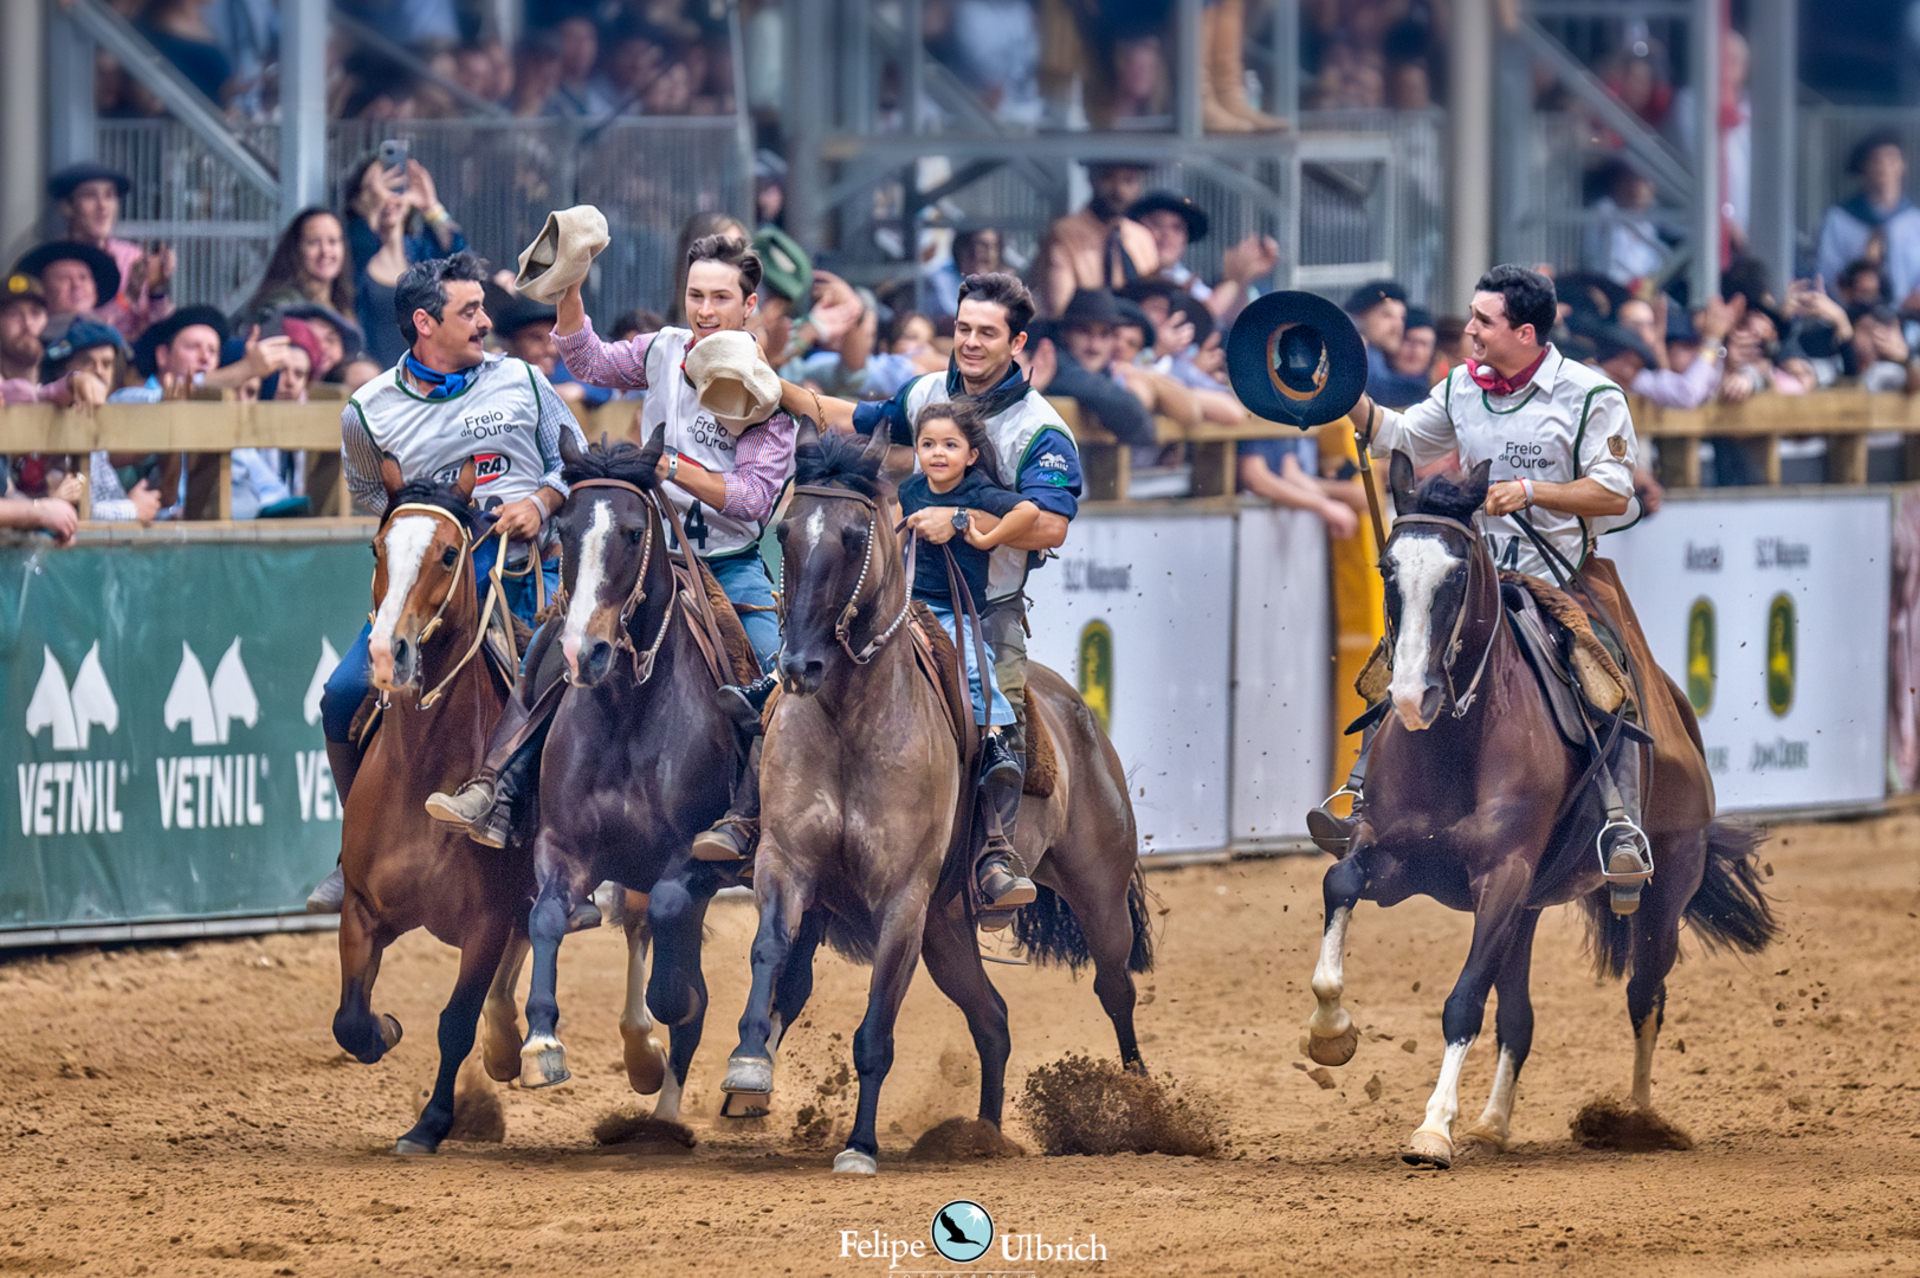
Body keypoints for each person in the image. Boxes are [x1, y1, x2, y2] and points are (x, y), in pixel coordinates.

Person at [1325, 264, 1713, 916]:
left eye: (1483, 320)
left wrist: (1535, 492)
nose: (1469, 330)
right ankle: (1361, 795)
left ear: (1524, 331)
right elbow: (1400, 437)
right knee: (1398, 661)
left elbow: (1615, 494)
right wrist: (1345, 397)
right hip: (1478, 579)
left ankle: (1620, 823)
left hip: (1563, 577)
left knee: (1606, 680)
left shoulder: (1592, 395)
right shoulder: (1461, 389)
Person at [424, 234, 797, 857]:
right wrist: (571, 282)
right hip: (643, 557)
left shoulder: (771, 394)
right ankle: (498, 786)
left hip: (728, 566)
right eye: (695, 295)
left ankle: (752, 820)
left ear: (749, 305)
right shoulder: (662, 351)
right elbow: (587, 360)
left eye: (720, 298)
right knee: (550, 644)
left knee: (775, 678)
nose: (704, 310)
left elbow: (753, 499)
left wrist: (669, 466)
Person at [773, 271, 1081, 906]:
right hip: (903, 601)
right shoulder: (921, 395)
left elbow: (1050, 526)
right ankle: (765, 819)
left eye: (986, 333)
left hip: (986, 611)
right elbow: (850, 418)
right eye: (963, 327)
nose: (969, 342)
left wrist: (964, 521)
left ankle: (994, 849)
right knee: (800, 675)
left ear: (1017, 341)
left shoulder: (1041, 429)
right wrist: (769, 386)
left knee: (1003, 714)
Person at [305, 252, 587, 913]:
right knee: (342, 695)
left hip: (524, 577)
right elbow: (372, 497)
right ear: (425, 323)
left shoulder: (522, 380)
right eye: (470, 311)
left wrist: (541, 504)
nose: (487, 321)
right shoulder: (367, 410)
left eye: (483, 309)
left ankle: (560, 867)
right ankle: (355, 848)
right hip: (431, 583)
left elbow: (577, 464)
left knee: (561, 700)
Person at [897, 401, 1042, 916]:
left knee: (974, 671)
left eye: (950, 445)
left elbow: (1028, 512)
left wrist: (977, 531)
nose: (938, 453)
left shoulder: (980, 493)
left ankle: (997, 741)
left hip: (954, 610)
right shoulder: (908, 490)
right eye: (929, 444)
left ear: (971, 454)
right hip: (906, 605)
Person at [47, 162, 174, 341]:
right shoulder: (52, 260)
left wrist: (157, 290)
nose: (102, 206)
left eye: (110, 196)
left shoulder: (131, 258)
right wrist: (126, 300)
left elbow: (163, 334)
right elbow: (69, 331)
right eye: (90, 196)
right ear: (68, 207)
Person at [1128, 189, 1279, 326]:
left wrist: (1243, 278)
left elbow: (1229, 316)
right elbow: (1203, 316)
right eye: (1157, 224)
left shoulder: (1188, 281)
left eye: (1177, 228)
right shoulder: (1125, 271)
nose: (1167, 234)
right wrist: (1235, 278)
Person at [1818, 131, 1920, 323]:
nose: (1883, 167)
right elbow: (1828, 274)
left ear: (1902, 166)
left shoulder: (1915, 222)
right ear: (1863, 167)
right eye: (1875, 160)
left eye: (1891, 159)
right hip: (1853, 320)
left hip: (1911, 324)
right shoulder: (1840, 219)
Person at [1036, 163, 1159, 316]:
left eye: (1129, 180)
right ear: (1091, 178)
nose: (1119, 190)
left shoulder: (1142, 238)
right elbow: (1060, 309)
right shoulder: (1064, 234)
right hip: (1085, 333)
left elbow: (1154, 302)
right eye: (1108, 178)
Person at [1045, 289, 1156, 445]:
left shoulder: (1108, 373)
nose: (1094, 345)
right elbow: (1131, 412)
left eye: (1104, 334)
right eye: (1084, 331)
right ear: (1065, 334)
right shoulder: (1052, 363)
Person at [238, 209, 355, 326]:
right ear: (296, 250)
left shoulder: (342, 304)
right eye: (313, 242)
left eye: (332, 241)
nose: (325, 251)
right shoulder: (282, 307)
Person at [1236, 430, 1361, 539]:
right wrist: (1323, 505)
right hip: (1249, 527)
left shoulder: (1285, 417)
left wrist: (1329, 503)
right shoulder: (1261, 412)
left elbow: (1292, 474)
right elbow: (1256, 480)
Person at [492, 296, 610, 407]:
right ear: (512, 343)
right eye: (536, 338)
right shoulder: (496, 378)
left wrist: (579, 390)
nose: (551, 349)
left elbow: (603, 385)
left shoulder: (560, 371)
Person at [15, 241, 123, 344]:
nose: (76, 285)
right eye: (63, 278)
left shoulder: (110, 336)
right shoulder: (32, 341)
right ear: (43, 290)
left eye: (83, 277)